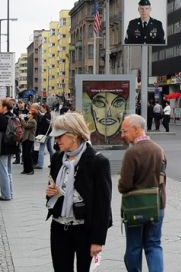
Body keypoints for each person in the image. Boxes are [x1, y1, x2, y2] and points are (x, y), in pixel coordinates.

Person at [45, 112, 112, 272]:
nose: (56, 141)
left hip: (85, 230)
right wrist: (50, 193)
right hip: (59, 227)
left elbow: (103, 206)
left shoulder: (97, 162)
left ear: (74, 135)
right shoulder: (57, 159)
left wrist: (98, 240)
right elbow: (53, 189)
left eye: (60, 136)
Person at [118, 114, 167, 272]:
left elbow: (124, 185)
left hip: (135, 208)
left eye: (125, 131)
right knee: (154, 245)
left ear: (136, 129)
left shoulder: (132, 153)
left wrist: (121, 184)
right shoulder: (159, 150)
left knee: (134, 246)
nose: (122, 135)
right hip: (157, 205)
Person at [0, 98, 19, 200]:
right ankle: (10, 193)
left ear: (4, 107)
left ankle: (6, 195)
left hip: (3, 148)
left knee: (3, 171)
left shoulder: (2, 118)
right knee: (8, 171)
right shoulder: (13, 116)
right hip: (11, 147)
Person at [20, 103, 37, 175]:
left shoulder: (33, 121)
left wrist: (22, 119)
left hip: (29, 139)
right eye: (28, 113)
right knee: (25, 155)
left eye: (30, 113)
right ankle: (26, 169)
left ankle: (31, 170)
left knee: (28, 155)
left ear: (33, 115)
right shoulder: (29, 120)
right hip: (25, 139)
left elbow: (26, 126)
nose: (28, 114)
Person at [35, 103, 53, 169]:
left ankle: (40, 164)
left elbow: (44, 126)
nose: (40, 109)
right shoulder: (48, 115)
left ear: (45, 108)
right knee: (50, 149)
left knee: (41, 149)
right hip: (49, 134)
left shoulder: (45, 116)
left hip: (44, 134)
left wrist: (40, 133)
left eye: (41, 108)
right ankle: (53, 163)